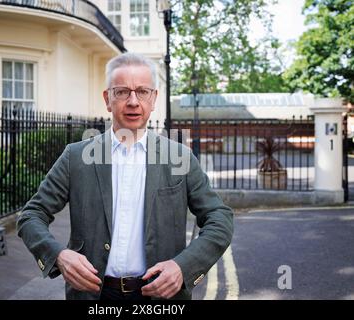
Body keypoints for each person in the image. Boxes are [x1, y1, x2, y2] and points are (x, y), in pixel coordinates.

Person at [17, 52, 234, 300]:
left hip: (160, 297)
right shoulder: (76, 157)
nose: (133, 101)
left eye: (142, 91)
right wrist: (58, 255)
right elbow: (31, 215)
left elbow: (220, 218)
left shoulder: (179, 157)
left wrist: (183, 267)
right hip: (93, 295)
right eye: (121, 92)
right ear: (108, 99)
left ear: (154, 99)